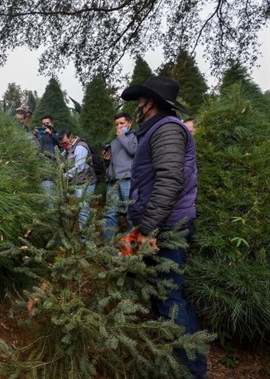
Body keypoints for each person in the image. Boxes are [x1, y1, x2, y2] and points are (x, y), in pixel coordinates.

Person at [121, 75, 207, 378]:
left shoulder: (168, 129)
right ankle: (171, 363)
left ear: (150, 103)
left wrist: (146, 228)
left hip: (167, 226)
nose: (138, 107)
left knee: (170, 296)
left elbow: (170, 181)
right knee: (159, 294)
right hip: (159, 223)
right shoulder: (158, 129)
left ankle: (192, 370)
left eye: (140, 101)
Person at [103, 112, 137, 242]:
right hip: (113, 181)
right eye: (117, 124)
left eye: (122, 123)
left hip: (127, 179)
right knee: (109, 214)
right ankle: (108, 247)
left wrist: (122, 137)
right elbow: (113, 163)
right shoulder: (114, 141)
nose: (119, 126)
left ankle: (133, 248)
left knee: (131, 214)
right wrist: (107, 160)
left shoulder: (135, 137)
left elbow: (133, 151)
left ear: (129, 123)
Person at [58, 129, 97, 233]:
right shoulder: (68, 149)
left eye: (65, 143)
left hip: (86, 182)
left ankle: (86, 240)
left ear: (72, 138)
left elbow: (79, 167)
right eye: (62, 144)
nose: (64, 146)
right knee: (80, 210)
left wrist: (64, 176)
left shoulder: (80, 147)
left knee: (83, 211)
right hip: (78, 183)